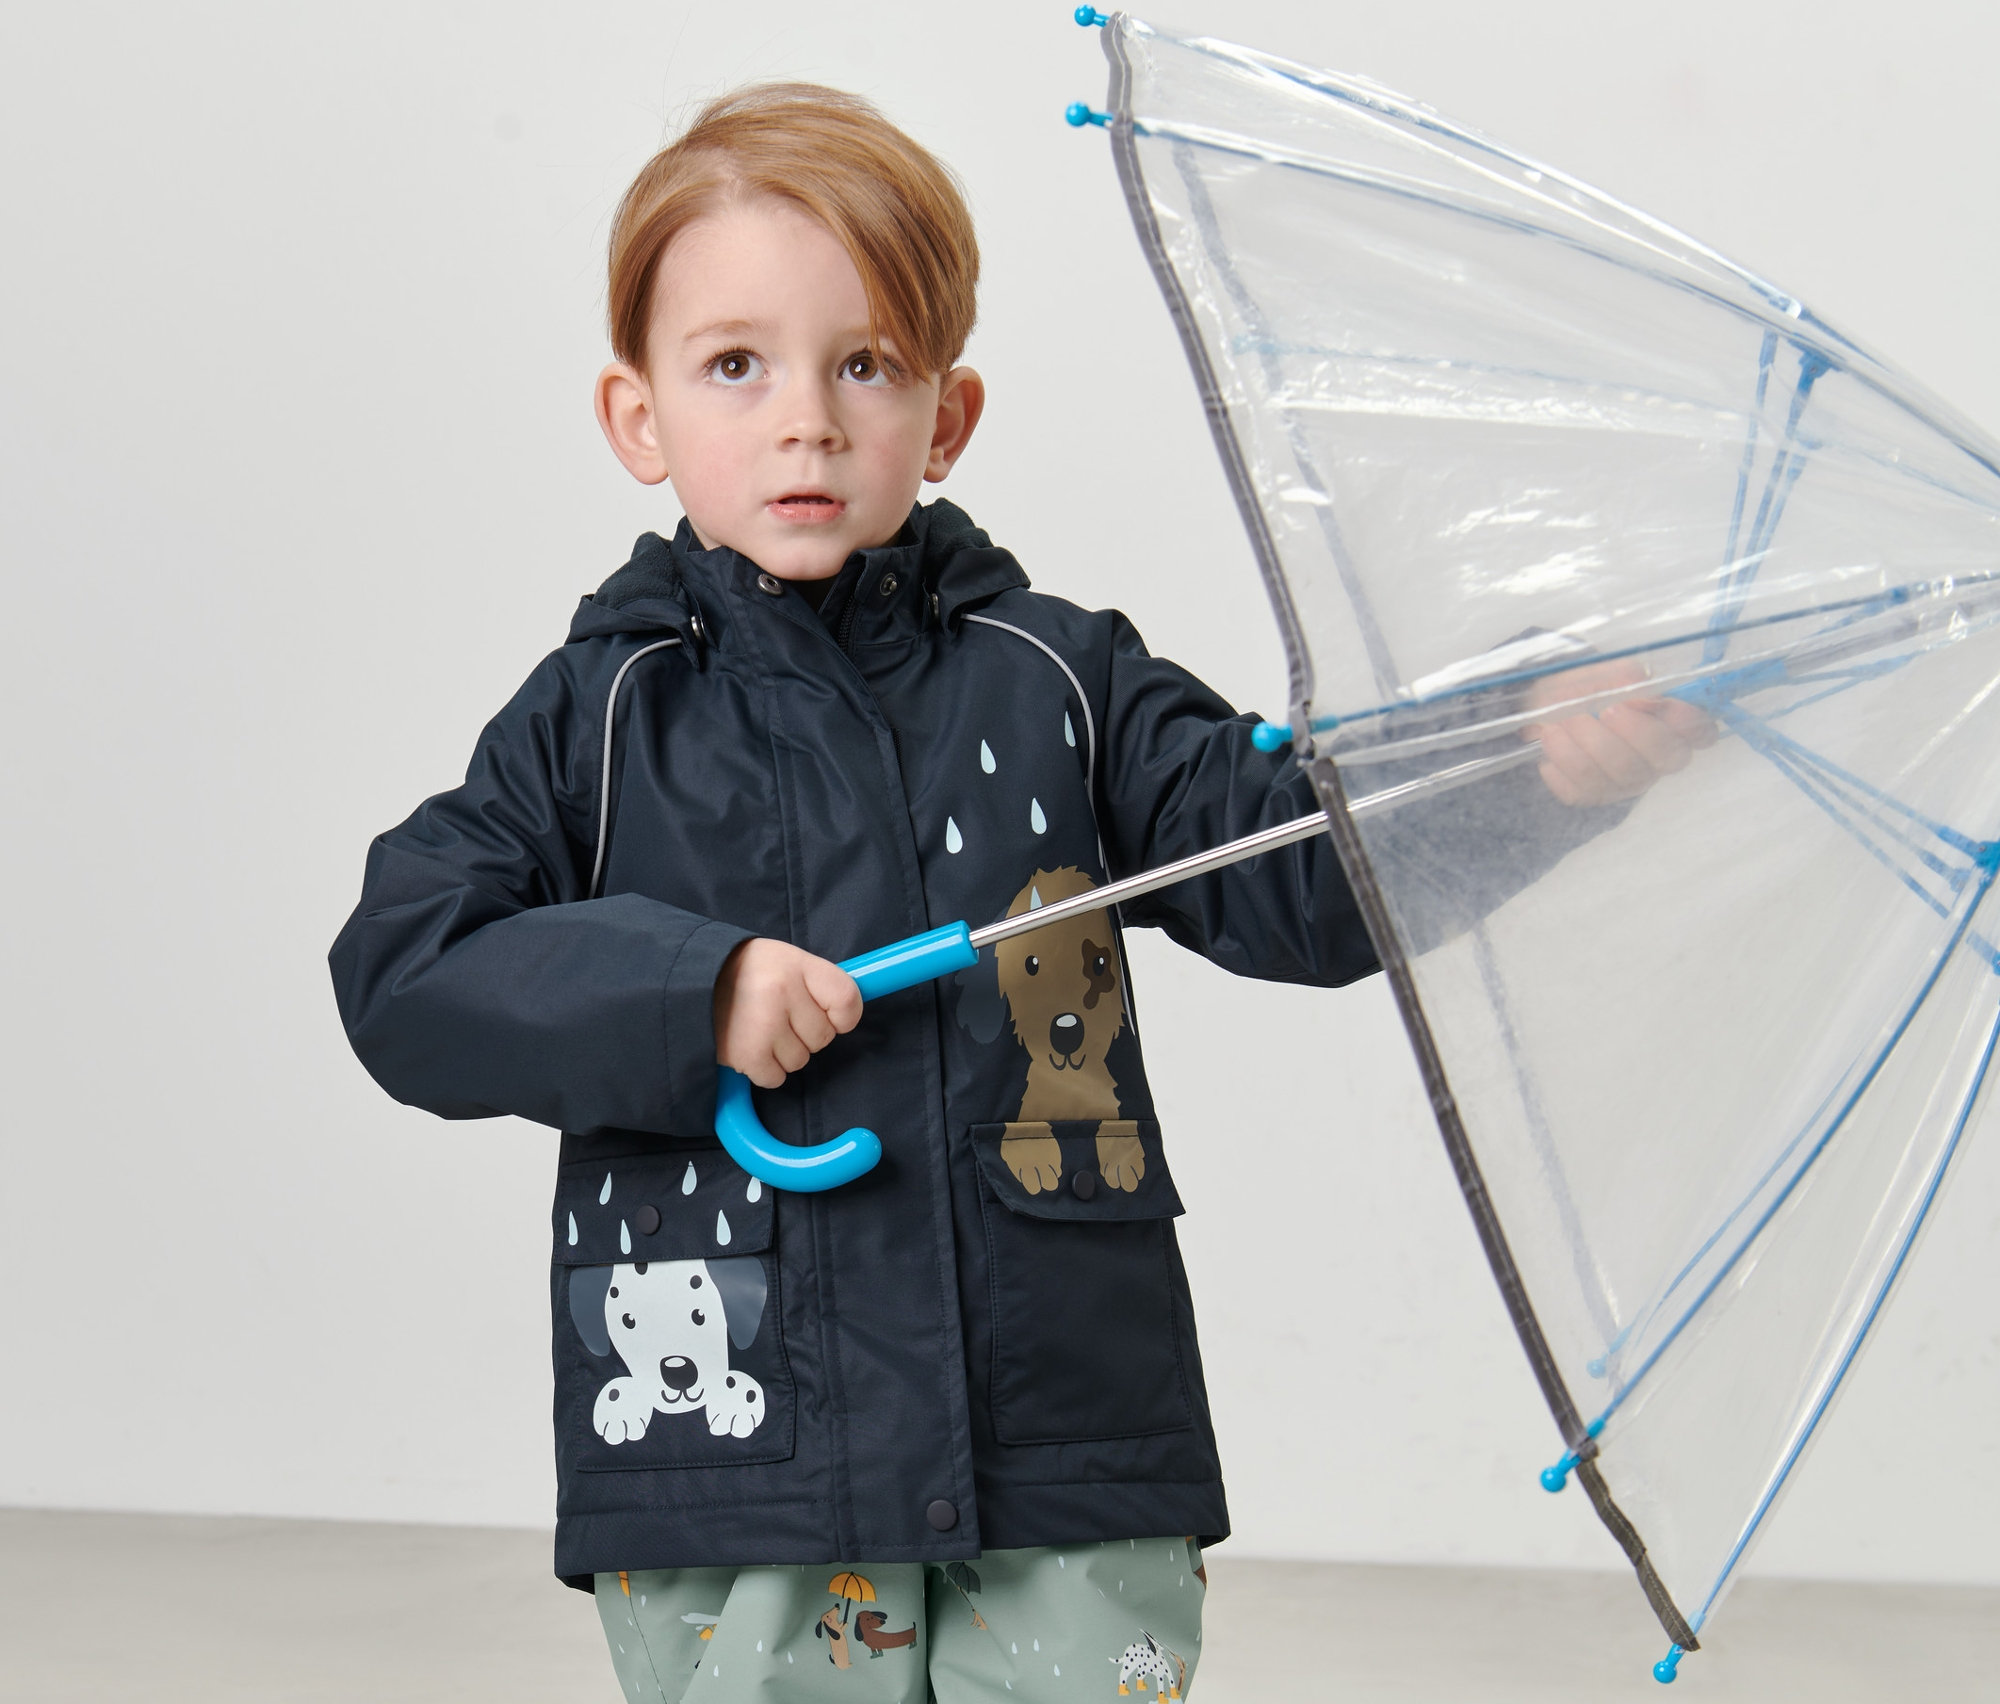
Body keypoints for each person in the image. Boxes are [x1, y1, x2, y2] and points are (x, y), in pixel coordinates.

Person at [328, 83, 1708, 1704]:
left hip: (1059, 1432)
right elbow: (409, 963)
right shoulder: (604, 716)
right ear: (639, 417)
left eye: (866, 364)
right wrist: (691, 992)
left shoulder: (1061, 680)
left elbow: (1288, 868)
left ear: (949, 413)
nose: (807, 420)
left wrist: (1520, 760)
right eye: (736, 365)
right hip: (745, 1430)